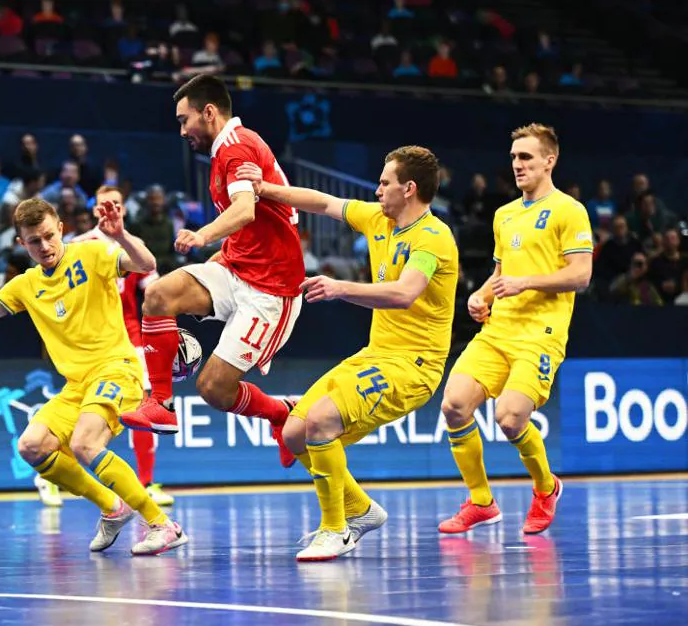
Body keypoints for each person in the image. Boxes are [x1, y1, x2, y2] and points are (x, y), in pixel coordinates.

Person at [0, 198, 187, 556]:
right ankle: (112, 507)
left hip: (116, 368)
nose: (44, 246)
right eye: (33, 241)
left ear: (60, 227)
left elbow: (146, 263)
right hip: (76, 386)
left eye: (47, 236)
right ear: (21, 244)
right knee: (31, 446)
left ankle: (162, 524)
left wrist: (120, 234)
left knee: (84, 444)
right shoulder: (25, 285)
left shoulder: (91, 254)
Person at [237, 146, 458, 561]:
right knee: (293, 433)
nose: (376, 191)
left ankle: (335, 529)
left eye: (384, 183)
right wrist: (264, 188)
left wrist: (339, 288)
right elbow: (323, 202)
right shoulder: (378, 220)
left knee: (320, 421)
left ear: (409, 189)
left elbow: (405, 292)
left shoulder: (433, 238)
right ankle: (361, 511)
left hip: (414, 365)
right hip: (376, 354)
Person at [122, 75, 304, 470]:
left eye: (184, 120)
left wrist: (201, 235)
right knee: (158, 296)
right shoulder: (223, 152)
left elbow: (244, 211)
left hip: (272, 290)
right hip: (236, 266)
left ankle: (281, 412)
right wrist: (221, 252)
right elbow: (249, 225)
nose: (182, 130)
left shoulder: (237, 148)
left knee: (213, 389)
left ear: (209, 113)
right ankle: (162, 404)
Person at [439, 124, 593, 535]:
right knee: (454, 406)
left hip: (540, 333)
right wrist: (482, 295)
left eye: (525, 157)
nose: (517, 165)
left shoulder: (569, 210)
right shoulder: (504, 215)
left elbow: (581, 275)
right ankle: (481, 501)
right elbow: (502, 273)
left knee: (509, 418)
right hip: (497, 331)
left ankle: (546, 488)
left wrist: (525, 283)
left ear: (549, 160)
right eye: (513, 158)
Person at [34, 185, 175, 508]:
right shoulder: (78, 246)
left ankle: (147, 482)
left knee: (142, 407)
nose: (110, 209)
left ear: (124, 209)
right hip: (91, 348)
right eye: (103, 205)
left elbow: (154, 293)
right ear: (95, 210)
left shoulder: (133, 245)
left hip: (130, 339)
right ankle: (48, 473)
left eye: (117, 204)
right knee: (84, 418)